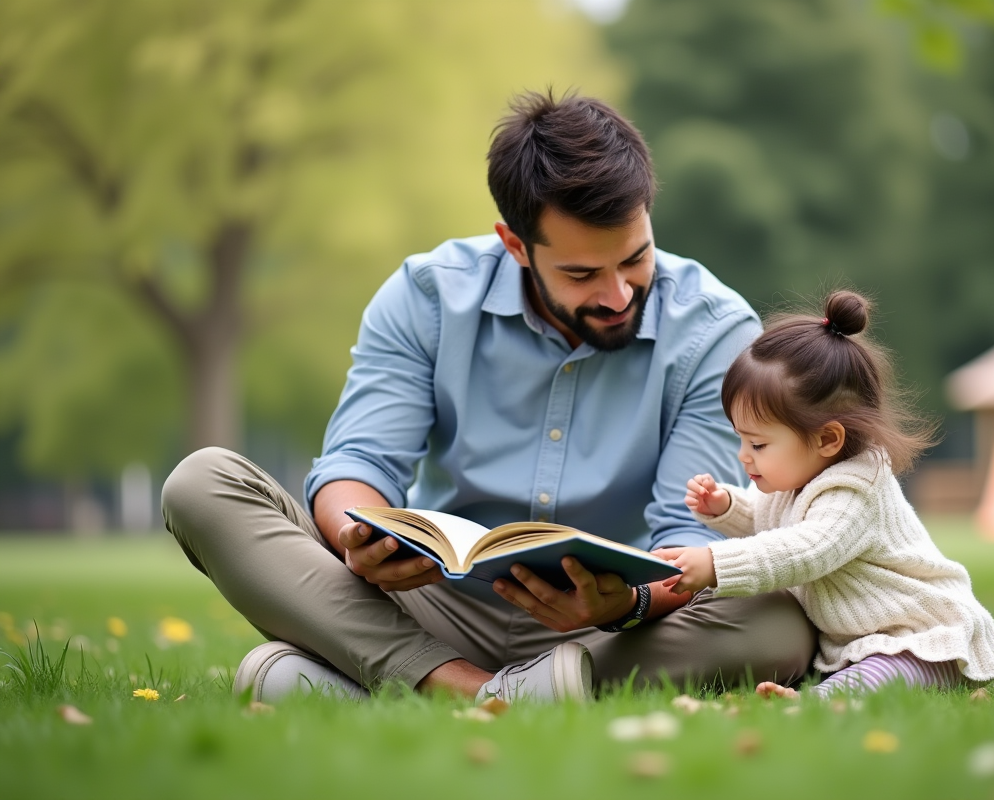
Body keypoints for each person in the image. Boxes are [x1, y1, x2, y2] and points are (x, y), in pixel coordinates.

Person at [161, 91, 815, 704]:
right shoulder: (427, 296)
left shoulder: (715, 329)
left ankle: (380, 680)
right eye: (583, 273)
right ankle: (477, 686)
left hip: (609, 622)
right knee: (202, 483)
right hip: (434, 600)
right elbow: (358, 463)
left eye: (635, 259)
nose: (618, 295)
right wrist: (357, 533)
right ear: (515, 244)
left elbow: (688, 536)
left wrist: (625, 605)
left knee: (779, 620)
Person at [660, 290, 994, 699]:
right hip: (860, 638)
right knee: (866, 666)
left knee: (884, 672)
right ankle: (832, 687)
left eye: (758, 445)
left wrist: (715, 562)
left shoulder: (855, 489)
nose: (743, 457)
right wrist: (727, 508)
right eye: (740, 439)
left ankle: (822, 703)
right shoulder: (795, 480)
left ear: (827, 439)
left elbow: (804, 548)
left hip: (918, 635)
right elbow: (771, 520)